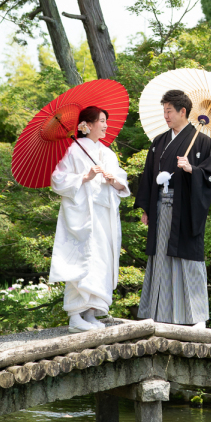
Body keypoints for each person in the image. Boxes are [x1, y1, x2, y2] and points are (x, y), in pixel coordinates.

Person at [135, 88, 211, 326]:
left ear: (183, 111)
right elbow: (148, 176)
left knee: (187, 258)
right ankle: (160, 314)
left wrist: (193, 170)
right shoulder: (159, 142)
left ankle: (196, 317)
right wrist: (146, 208)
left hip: (186, 209)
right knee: (161, 256)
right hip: (162, 206)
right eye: (164, 111)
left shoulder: (202, 141)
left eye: (169, 111)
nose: (166, 116)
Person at [49, 105, 130, 333]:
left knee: (101, 260)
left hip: (104, 214)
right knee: (82, 259)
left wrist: (113, 180)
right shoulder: (75, 150)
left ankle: (91, 312)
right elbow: (58, 180)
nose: (105, 125)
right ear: (87, 125)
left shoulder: (108, 153)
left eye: (106, 120)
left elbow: (122, 184)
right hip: (84, 214)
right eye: (101, 121)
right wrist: (86, 176)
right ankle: (75, 315)